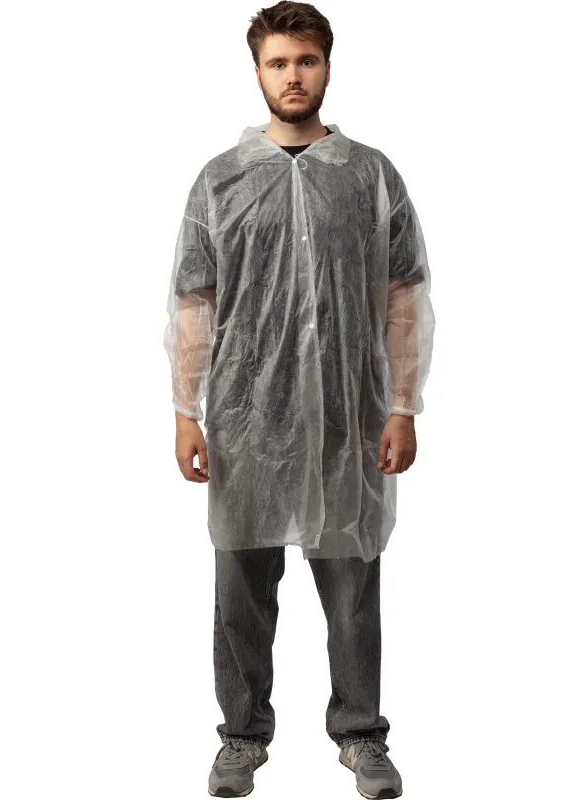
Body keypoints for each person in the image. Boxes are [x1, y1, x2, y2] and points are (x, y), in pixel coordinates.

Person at [163, 2, 435, 796]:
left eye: (306, 61)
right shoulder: (221, 180)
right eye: (278, 62)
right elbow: (194, 301)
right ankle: (242, 737)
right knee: (241, 594)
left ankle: (361, 736)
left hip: (350, 420)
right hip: (246, 420)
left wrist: (403, 405)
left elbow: (404, 294)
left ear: (327, 67)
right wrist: (185, 411)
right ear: (257, 71)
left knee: (352, 592)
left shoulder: (369, 175)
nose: (293, 76)